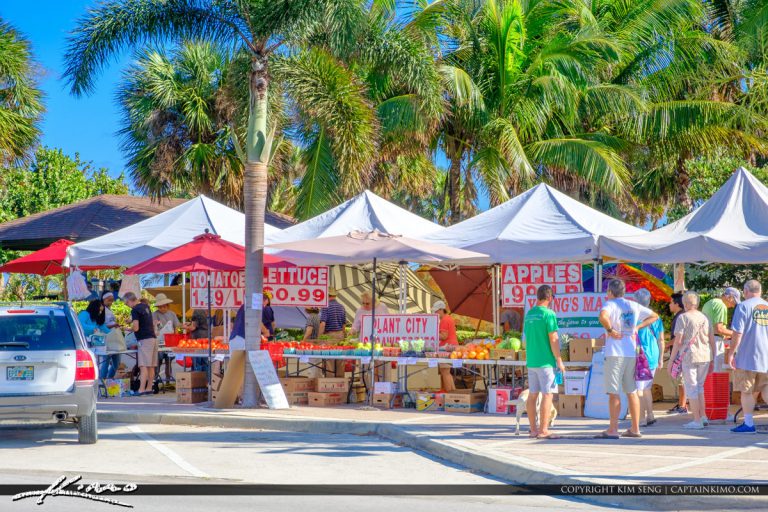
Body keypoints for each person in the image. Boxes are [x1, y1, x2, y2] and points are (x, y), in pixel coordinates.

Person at [597, 279, 659, 439]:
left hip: (615, 352)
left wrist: (610, 329)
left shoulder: (610, 305)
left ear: (610, 292)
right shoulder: (633, 305)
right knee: (631, 391)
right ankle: (635, 428)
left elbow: (602, 316)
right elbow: (655, 316)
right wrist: (637, 327)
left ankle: (613, 429)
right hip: (631, 352)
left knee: (613, 392)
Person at [523, 285, 565, 439]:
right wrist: (559, 360)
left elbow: (527, 337)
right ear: (550, 298)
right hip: (546, 362)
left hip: (532, 361)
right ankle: (543, 430)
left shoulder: (529, 314)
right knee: (547, 395)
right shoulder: (549, 314)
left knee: (533, 395)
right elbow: (553, 338)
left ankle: (533, 429)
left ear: (537, 297)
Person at [669, 291, 715, 429]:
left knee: (692, 388)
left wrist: (672, 359)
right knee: (699, 387)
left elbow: (678, 340)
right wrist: (713, 357)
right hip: (705, 355)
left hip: (689, 355)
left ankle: (697, 420)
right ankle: (703, 416)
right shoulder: (705, 317)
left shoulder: (683, 317)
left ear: (686, 303)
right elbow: (711, 339)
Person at [727, 280, 768, 433]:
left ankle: (749, 423)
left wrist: (731, 353)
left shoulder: (743, 306)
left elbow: (738, 332)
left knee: (747, 390)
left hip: (747, 356)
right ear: (761, 290)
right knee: (766, 387)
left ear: (745, 291)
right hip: (766, 356)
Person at [633, 288, 664, 427]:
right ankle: (650, 415)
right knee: (646, 388)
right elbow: (661, 339)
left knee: (638, 388)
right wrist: (661, 358)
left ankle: (640, 418)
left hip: (639, 355)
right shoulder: (656, 317)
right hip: (653, 354)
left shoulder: (634, 316)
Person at [124, 292, 157, 396]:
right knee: (151, 366)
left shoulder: (135, 310)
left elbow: (136, 327)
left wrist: (127, 328)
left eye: (126, 303)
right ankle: (149, 388)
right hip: (153, 338)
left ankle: (141, 389)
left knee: (143, 366)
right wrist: (131, 320)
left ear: (129, 300)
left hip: (144, 340)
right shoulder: (145, 306)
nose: (126, 305)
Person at [702, 286, 740, 372]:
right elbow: (719, 329)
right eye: (733, 302)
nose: (733, 306)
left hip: (705, 340)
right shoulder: (721, 305)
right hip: (715, 341)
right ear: (729, 297)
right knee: (716, 371)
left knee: (707, 372)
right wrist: (737, 334)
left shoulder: (709, 302)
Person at [667, 292, 689, 414]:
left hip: (680, 353)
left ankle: (682, 405)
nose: (669, 305)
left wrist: (666, 345)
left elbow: (678, 338)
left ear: (677, 304)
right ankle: (681, 403)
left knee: (681, 380)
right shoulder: (680, 316)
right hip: (681, 353)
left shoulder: (680, 317)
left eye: (671, 302)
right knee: (680, 380)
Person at [152, 293, 181, 382]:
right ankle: (155, 377)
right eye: (160, 307)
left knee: (169, 359)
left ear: (167, 306)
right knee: (158, 360)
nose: (162, 309)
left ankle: (169, 376)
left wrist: (176, 337)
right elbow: (153, 326)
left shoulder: (172, 314)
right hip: (159, 340)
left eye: (164, 307)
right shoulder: (155, 314)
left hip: (170, 340)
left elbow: (176, 326)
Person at [319, 288, 347, 378]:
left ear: (327, 296)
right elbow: (344, 325)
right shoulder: (342, 306)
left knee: (329, 359)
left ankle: (330, 382)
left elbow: (323, 323)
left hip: (329, 335)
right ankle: (340, 380)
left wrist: (319, 337)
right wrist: (344, 336)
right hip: (340, 335)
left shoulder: (325, 307)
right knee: (340, 359)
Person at [432, 300, 458, 393]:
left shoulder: (444, 320)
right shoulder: (449, 318)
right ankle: (453, 393)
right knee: (447, 372)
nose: (435, 313)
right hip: (452, 347)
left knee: (445, 372)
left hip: (446, 348)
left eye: (436, 311)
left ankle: (448, 395)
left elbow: (444, 336)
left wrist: (433, 333)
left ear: (441, 310)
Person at [99, 292, 123, 379]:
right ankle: (102, 381)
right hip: (107, 338)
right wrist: (113, 325)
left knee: (117, 363)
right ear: (103, 299)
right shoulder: (102, 310)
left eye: (112, 300)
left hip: (114, 338)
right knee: (106, 361)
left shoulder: (109, 310)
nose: (111, 302)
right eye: (109, 300)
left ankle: (109, 379)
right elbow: (101, 325)